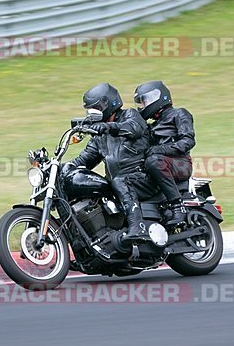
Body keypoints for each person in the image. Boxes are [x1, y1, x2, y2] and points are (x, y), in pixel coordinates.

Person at [64, 83, 156, 241]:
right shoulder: (99, 137)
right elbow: (84, 160)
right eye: (91, 109)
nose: (93, 112)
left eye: (97, 107)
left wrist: (108, 127)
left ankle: (138, 227)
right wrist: (63, 168)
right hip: (119, 183)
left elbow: (134, 128)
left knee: (119, 181)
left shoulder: (131, 115)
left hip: (142, 177)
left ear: (110, 103)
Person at [134, 80, 195, 228]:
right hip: (161, 165)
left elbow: (187, 141)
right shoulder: (152, 126)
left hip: (180, 164)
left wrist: (159, 150)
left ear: (157, 97)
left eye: (143, 102)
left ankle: (177, 205)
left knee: (153, 161)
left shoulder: (179, 114)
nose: (141, 106)